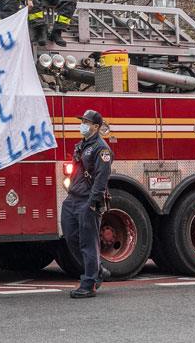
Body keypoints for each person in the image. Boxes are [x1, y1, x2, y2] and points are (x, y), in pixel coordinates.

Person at [62, 109, 113, 298]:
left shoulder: (102, 148)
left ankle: (88, 284)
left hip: (87, 201)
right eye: (82, 121)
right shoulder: (81, 145)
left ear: (96, 126)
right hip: (73, 198)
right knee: (71, 237)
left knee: (87, 243)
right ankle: (97, 269)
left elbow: (101, 178)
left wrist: (93, 202)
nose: (82, 124)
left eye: (86, 122)